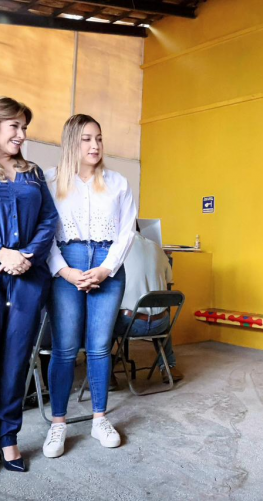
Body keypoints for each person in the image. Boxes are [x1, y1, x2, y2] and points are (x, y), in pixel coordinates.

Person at [42, 114, 137, 459]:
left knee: (98, 348)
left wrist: (106, 269)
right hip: (66, 263)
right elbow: (44, 233)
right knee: (65, 349)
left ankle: (99, 420)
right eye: (86, 139)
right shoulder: (50, 181)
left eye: (98, 138)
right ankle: (58, 423)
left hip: (107, 265)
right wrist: (65, 271)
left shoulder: (117, 182)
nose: (95, 145)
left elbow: (126, 232)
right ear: (71, 142)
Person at [0, 97, 58, 471]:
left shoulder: (33, 172)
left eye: (24, 128)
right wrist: (2, 253)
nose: (22, 134)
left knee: (17, 359)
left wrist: (25, 255)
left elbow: (49, 219)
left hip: (28, 277)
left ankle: (8, 438)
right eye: (15, 126)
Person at [111, 230, 183, 388]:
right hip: (160, 325)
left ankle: (106, 374)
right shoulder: (156, 247)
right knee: (162, 315)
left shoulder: (116, 248)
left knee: (102, 323)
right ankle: (168, 367)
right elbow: (169, 280)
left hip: (131, 324)